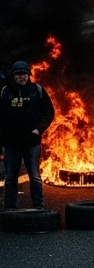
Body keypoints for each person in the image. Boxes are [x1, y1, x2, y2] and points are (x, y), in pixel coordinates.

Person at [1, 60, 55, 211]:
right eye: (18, 75)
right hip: (10, 144)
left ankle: (39, 206)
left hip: (31, 143)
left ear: (28, 75)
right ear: (13, 76)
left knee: (35, 177)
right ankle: (9, 208)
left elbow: (49, 112)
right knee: (11, 177)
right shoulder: (5, 92)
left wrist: (39, 130)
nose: (22, 77)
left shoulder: (36, 90)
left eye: (24, 74)